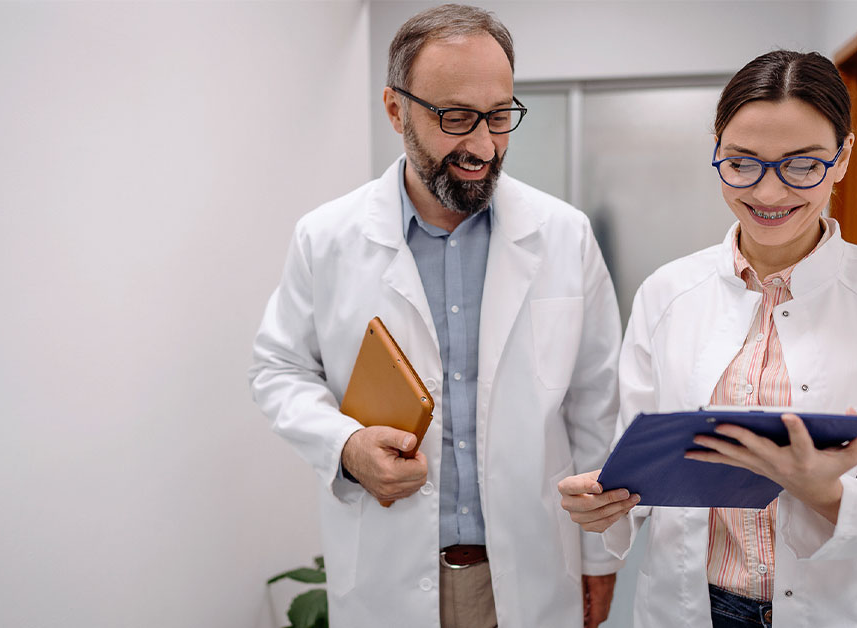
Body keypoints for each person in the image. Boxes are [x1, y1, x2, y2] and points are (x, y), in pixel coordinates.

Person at [558, 50, 857, 628]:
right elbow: (642, 461)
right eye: (744, 163)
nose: (769, 194)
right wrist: (607, 501)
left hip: (840, 607)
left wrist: (827, 493)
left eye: (802, 166)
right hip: (693, 605)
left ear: (843, 157)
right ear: (717, 153)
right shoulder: (666, 292)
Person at [249, 5, 623, 627]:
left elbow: (595, 405)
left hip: (530, 572)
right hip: (389, 574)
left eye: (500, 116)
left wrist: (599, 560)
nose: (482, 145)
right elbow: (277, 369)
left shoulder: (564, 235)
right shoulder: (328, 238)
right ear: (396, 110)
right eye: (455, 118)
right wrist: (345, 446)